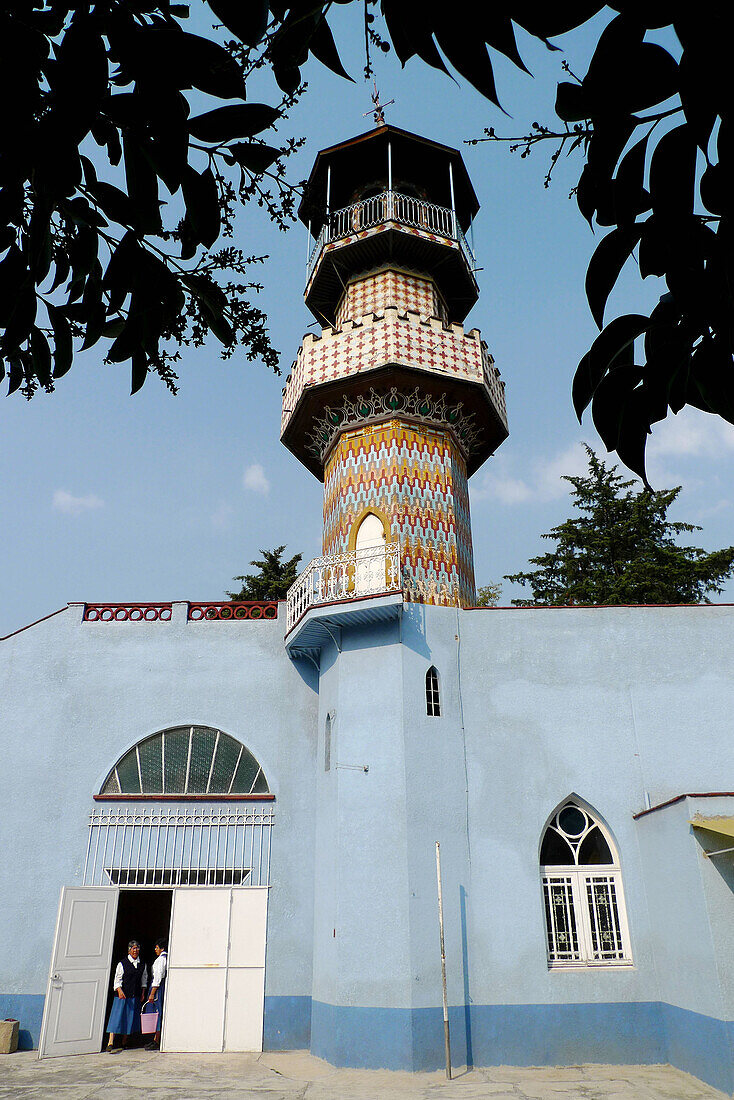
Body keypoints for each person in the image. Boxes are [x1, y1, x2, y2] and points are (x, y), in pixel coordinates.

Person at [105, 940, 148, 1053]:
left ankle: (125, 1042)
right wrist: (119, 990)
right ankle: (110, 1042)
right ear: (129, 950)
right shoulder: (122, 963)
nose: (135, 950)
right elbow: (117, 979)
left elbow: (144, 979)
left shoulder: (142, 964)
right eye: (133, 948)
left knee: (129, 1019)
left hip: (135, 995)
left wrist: (143, 992)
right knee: (116, 1017)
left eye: (137, 948)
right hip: (122, 995)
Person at [144, 938, 167, 1051]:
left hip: (157, 988)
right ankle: (154, 1038)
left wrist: (152, 993)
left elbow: (158, 978)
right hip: (158, 987)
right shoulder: (163, 959)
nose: (155, 950)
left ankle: (156, 1040)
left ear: (161, 948)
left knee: (157, 1012)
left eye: (156, 948)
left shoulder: (161, 960)